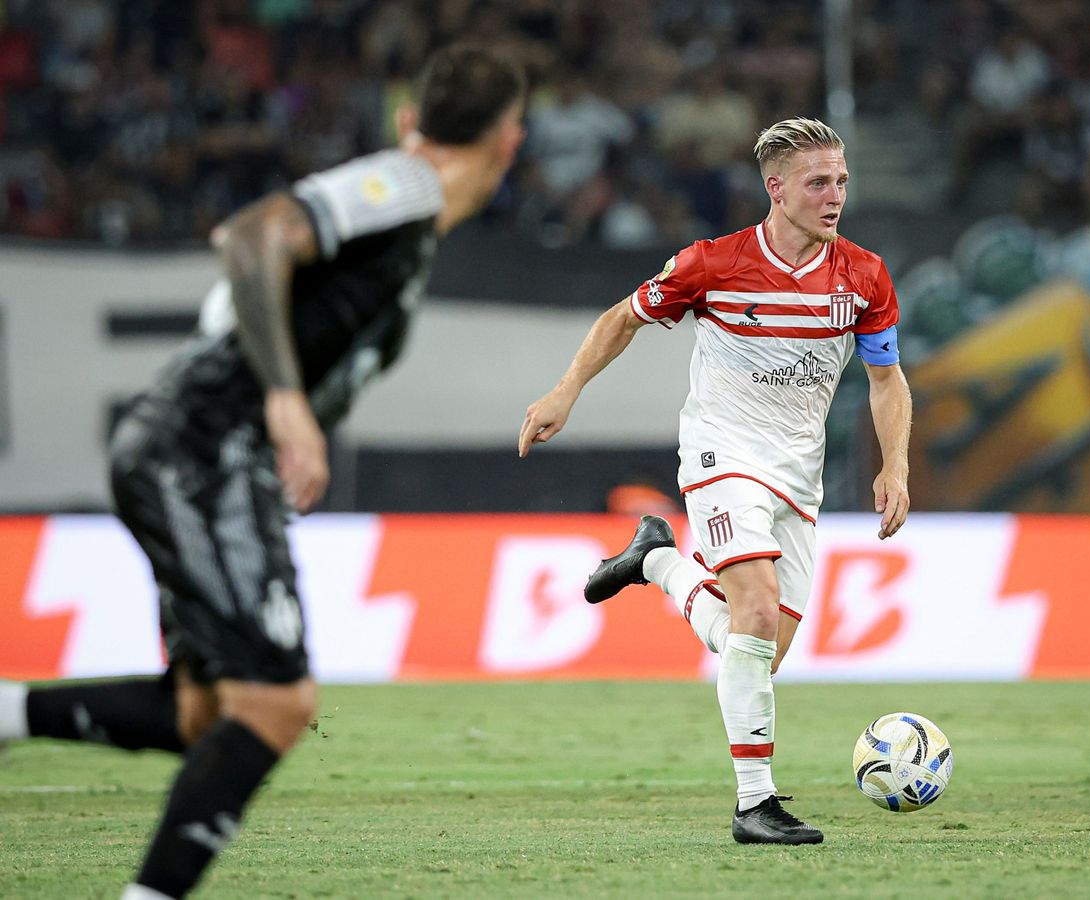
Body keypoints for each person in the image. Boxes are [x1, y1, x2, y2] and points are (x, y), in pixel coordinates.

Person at [0, 44, 526, 899]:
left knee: (201, 713)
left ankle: (11, 712)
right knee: (276, 705)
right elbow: (248, 235)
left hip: (197, 447)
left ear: (407, 115)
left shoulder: (406, 221)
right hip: (204, 445)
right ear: (512, 140)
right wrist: (284, 399)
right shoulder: (405, 184)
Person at [518, 117, 911, 845]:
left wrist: (896, 464)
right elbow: (622, 319)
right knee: (756, 618)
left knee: (752, 647)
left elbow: (887, 380)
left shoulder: (864, 276)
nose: (835, 197)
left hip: (800, 475)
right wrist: (565, 390)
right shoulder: (711, 264)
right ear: (777, 189)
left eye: (842, 181)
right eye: (819, 183)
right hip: (722, 455)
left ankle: (657, 561)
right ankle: (754, 806)